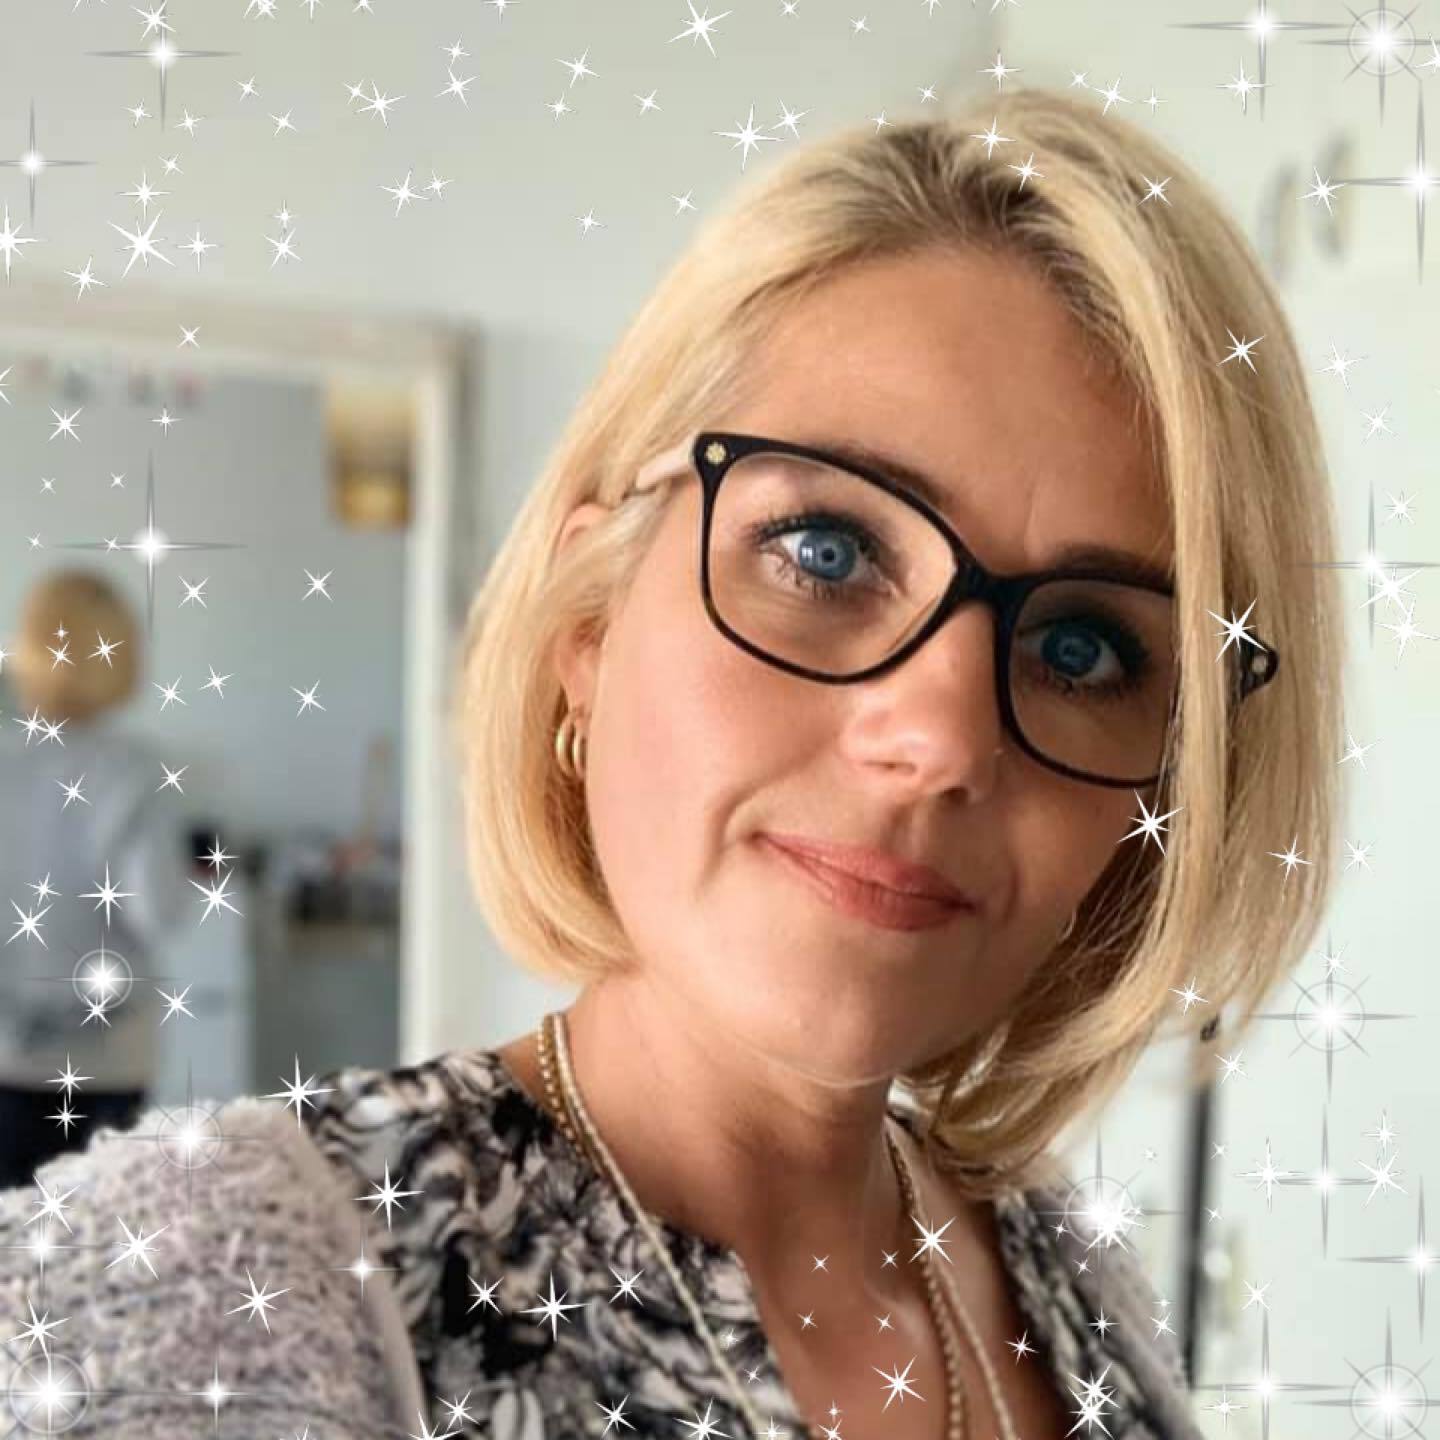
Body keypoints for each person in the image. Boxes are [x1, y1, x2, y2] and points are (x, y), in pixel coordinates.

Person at [0, 86, 1344, 1440]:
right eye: (827, 551)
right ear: (589, 620)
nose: (939, 740)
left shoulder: (1064, 1271)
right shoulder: (212, 1305)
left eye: (1083, 649)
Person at [0, 569, 190, 1189]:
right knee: (96, 1235)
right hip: (106, 1060)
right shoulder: (134, 774)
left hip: (7, 1058)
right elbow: (159, 911)